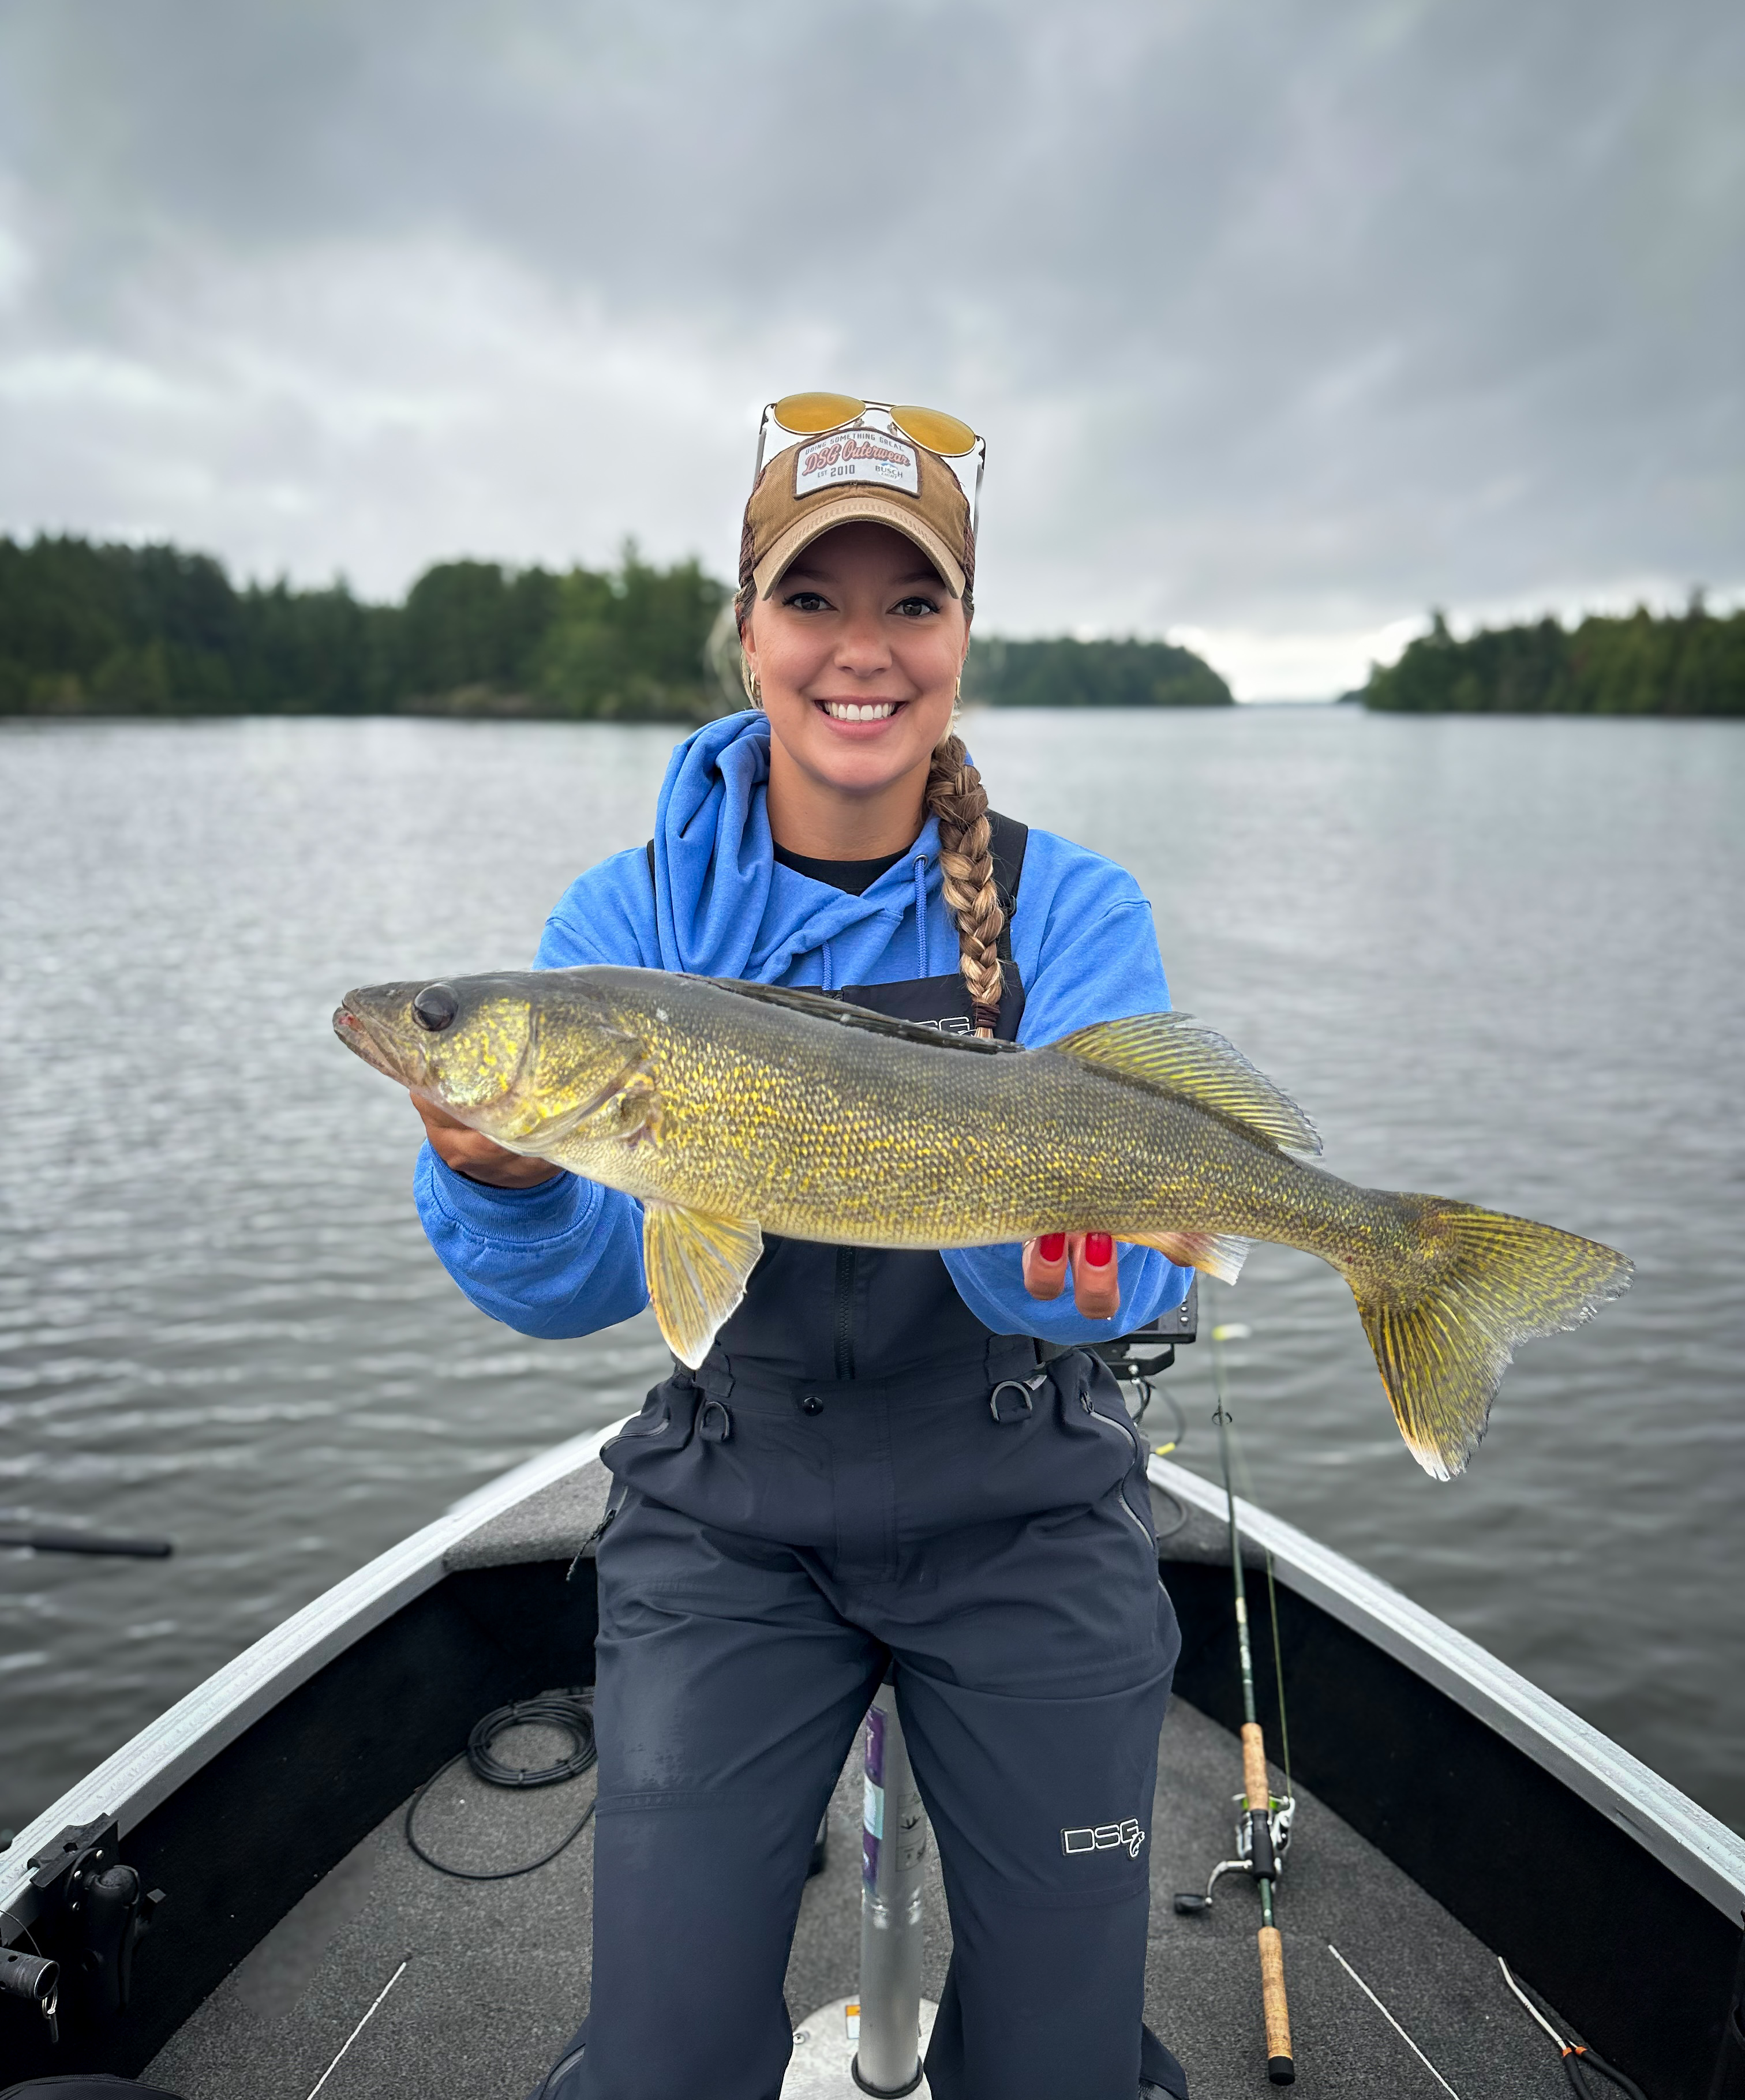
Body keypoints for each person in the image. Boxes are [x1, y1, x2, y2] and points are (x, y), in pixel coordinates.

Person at [410, 399, 1194, 2100]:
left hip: (1028, 1505)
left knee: (1063, 2076)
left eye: (911, 604)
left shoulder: (1076, 915)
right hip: (732, 1520)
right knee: (663, 2068)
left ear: (964, 637)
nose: (864, 650)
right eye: (813, 601)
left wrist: (1089, 1258)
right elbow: (568, 1294)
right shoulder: (624, 929)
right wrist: (507, 1176)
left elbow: (1138, 1277)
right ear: (747, 628)